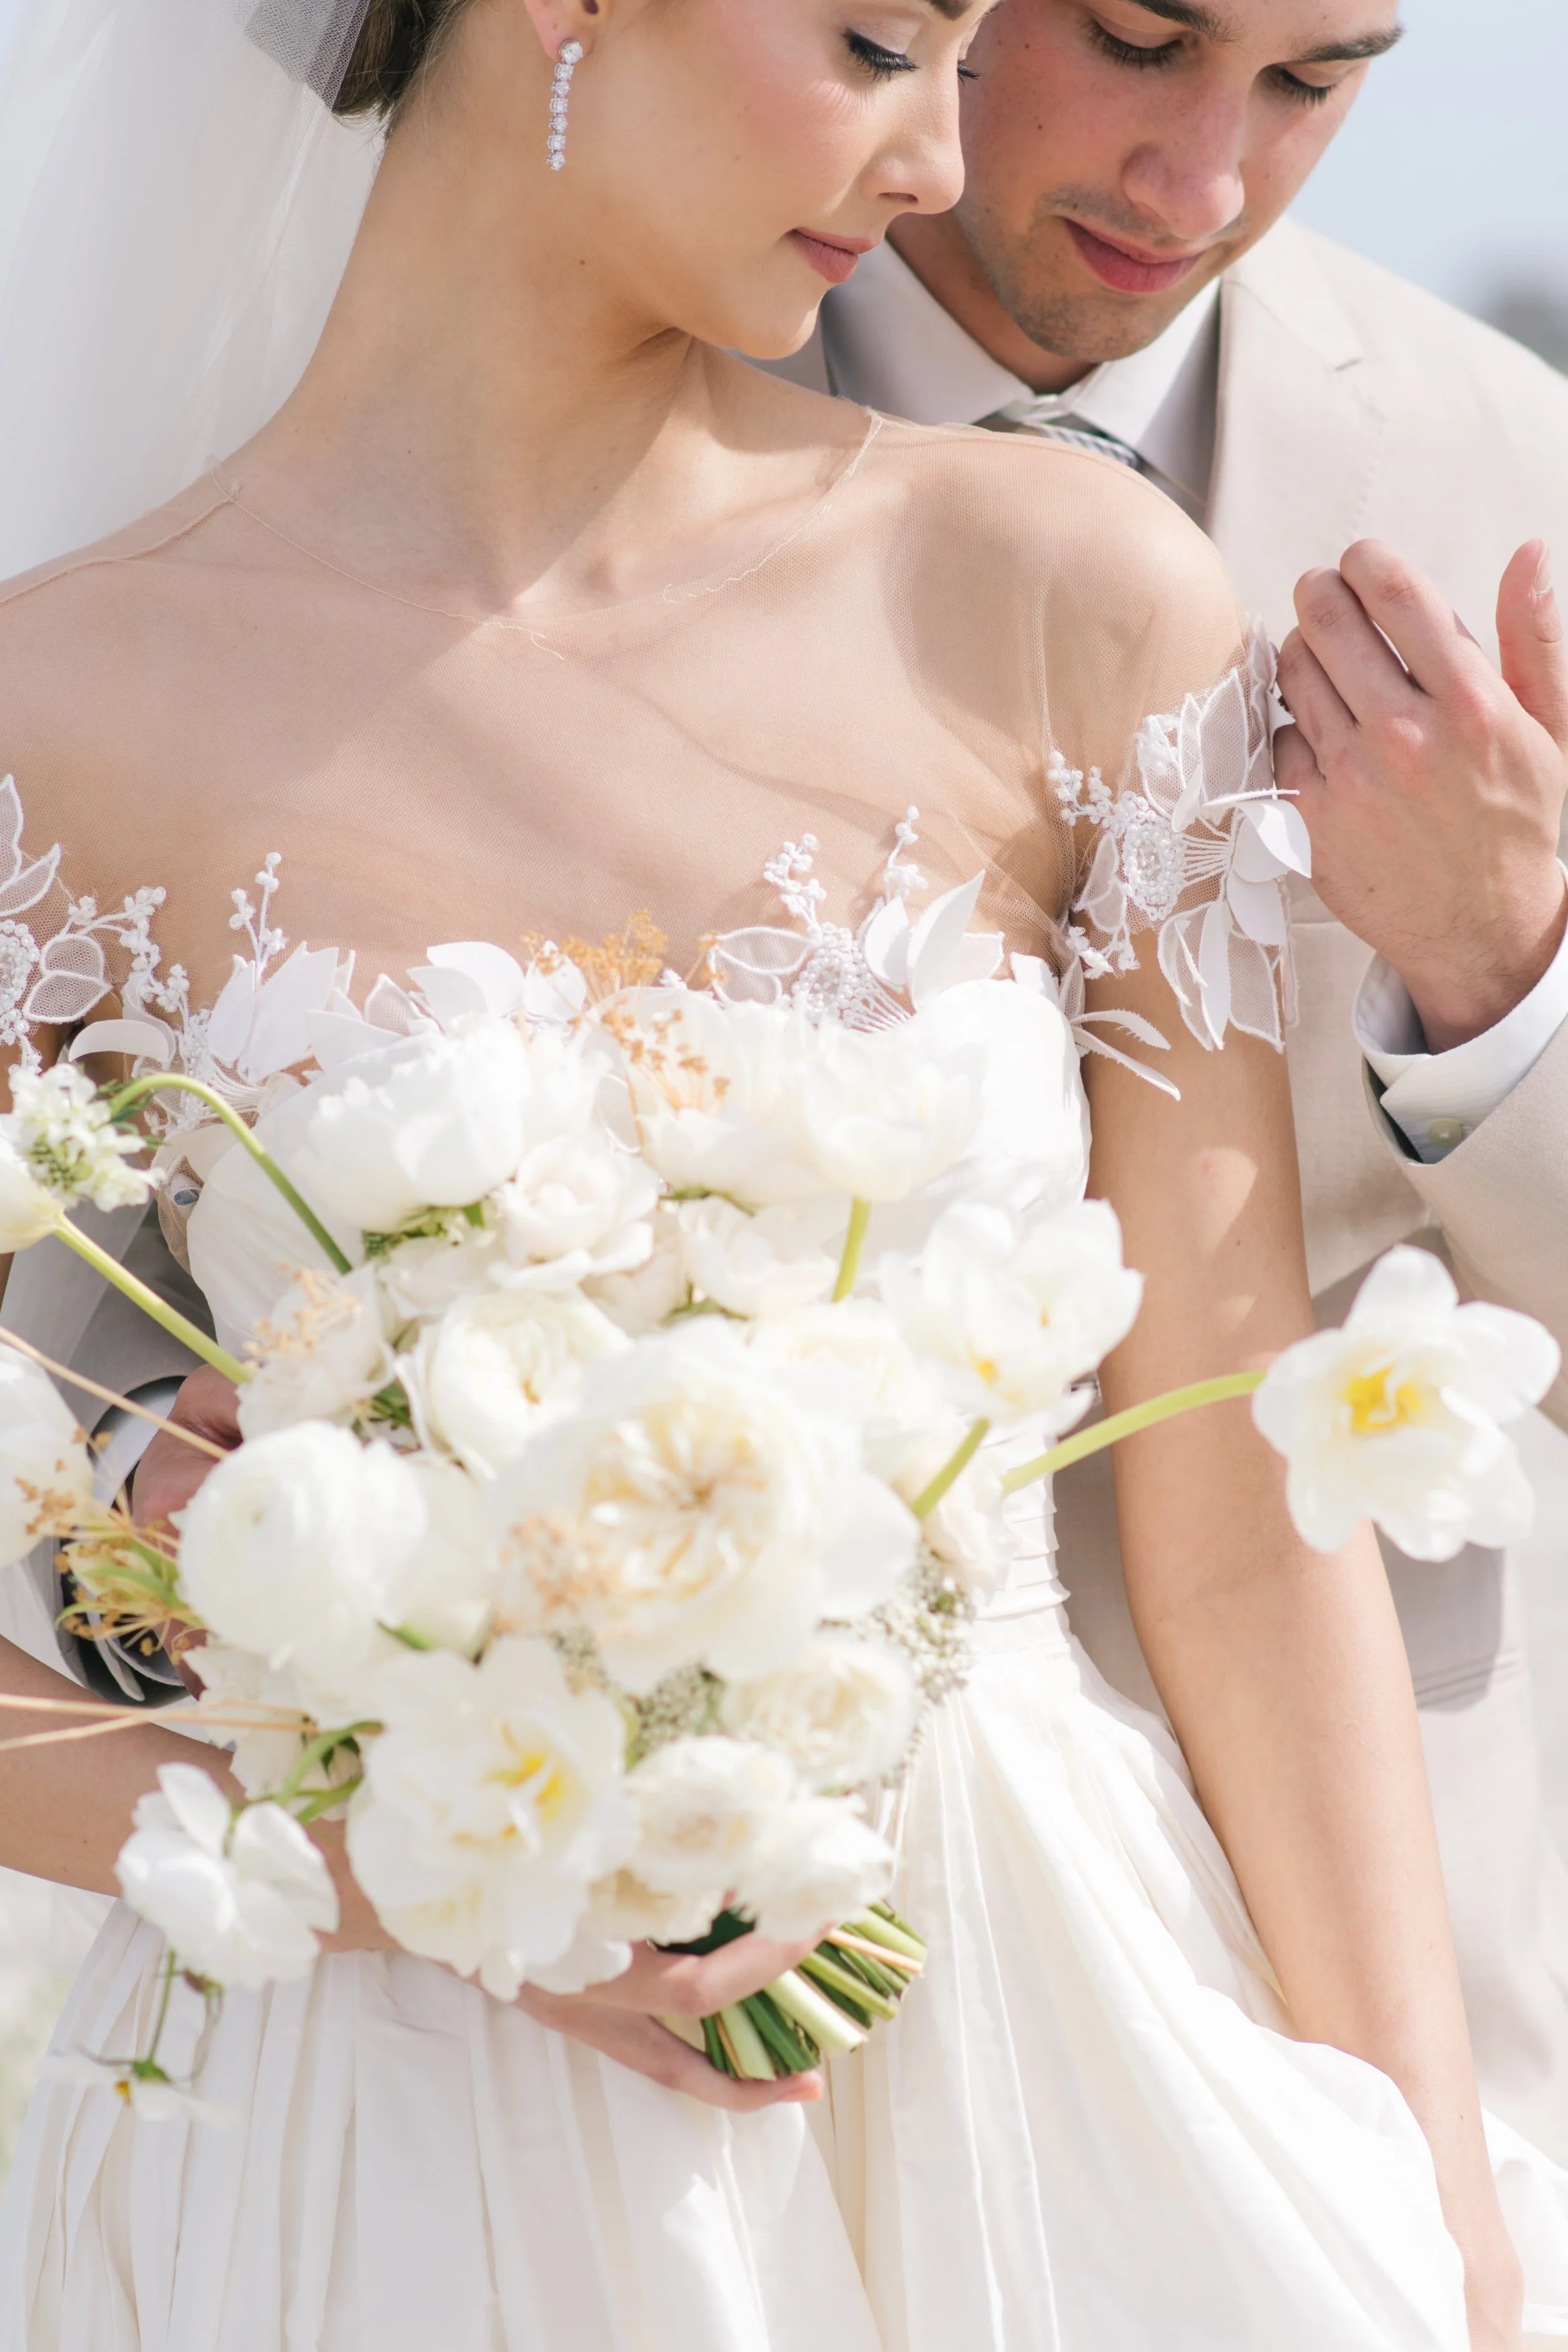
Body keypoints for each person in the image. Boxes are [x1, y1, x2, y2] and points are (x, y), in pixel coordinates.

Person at [0, 1, 1559, 2348]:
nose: (931, 161)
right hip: (373, 2125)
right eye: (871, 45)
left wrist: (1441, 2227)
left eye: (957, 56)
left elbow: (1250, 1507)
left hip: (1049, 2055)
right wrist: (411, 1857)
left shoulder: (1067, 592)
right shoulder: (58, 716)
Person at [763, 0, 1568, 2163]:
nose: (1201, 182)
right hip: (745, 1990)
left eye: (1314, 82)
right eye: (1137, 40)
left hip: (1385, 1992)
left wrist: (1503, 973)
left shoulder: (1527, 477)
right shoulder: (560, 421)